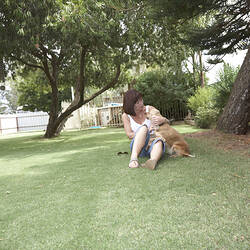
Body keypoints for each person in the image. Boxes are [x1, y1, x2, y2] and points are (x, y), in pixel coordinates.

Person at [122, 89, 169, 170]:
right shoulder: (126, 116)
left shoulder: (149, 109)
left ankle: (152, 161)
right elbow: (129, 135)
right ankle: (133, 159)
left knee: (159, 141)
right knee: (144, 128)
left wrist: (163, 119)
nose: (141, 103)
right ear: (131, 105)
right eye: (137, 102)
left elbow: (167, 123)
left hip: (152, 144)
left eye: (141, 100)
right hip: (138, 149)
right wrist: (146, 132)